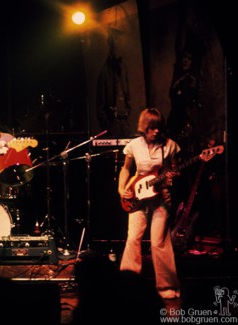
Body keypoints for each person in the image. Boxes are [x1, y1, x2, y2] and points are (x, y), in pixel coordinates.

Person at [117, 108, 181, 299]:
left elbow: (175, 170)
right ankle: (128, 285)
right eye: (152, 128)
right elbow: (126, 169)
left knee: (159, 242)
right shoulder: (134, 145)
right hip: (137, 195)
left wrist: (170, 180)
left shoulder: (169, 146)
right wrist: (121, 189)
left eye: (158, 128)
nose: (156, 132)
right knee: (133, 239)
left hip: (160, 198)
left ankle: (166, 285)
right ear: (144, 127)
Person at [96, 28, 132, 138]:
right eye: (116, 40)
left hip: (124, 123)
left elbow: (127, 96)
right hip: (113, 124)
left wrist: (127, 113)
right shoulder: (105, 72)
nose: (119, 44)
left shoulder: (123, 69)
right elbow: (100, 105)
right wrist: (107, 126)